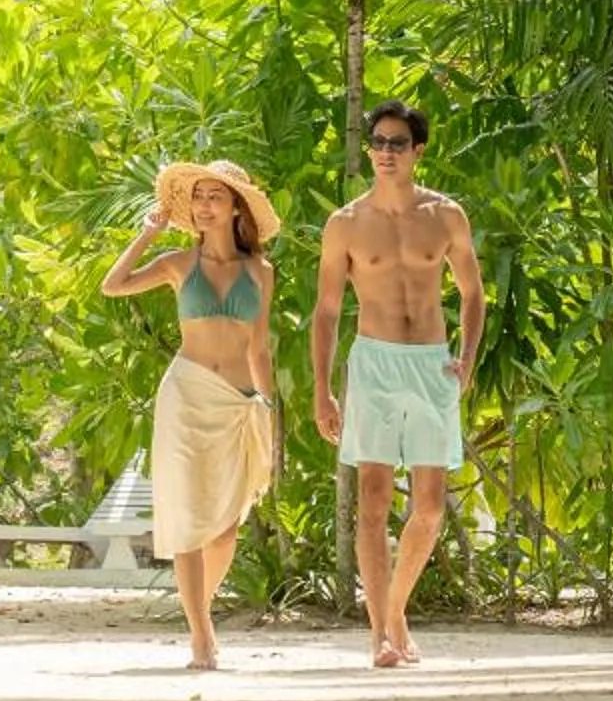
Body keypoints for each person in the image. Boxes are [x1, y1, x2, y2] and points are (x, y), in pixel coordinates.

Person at [312, 98, 483, 669]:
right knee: (374, 500)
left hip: (432, 363)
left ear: (417, 152)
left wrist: (468, 357)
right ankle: (381, 635)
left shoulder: (446, 216)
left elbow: (472, 293)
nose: (385, 153)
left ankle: (394, 611)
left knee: (431, 506)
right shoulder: (346, 224)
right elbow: (328, 311)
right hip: (375, 364)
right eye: (378, 142)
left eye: (396, 144)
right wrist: (322, 388)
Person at [102, 159, 282, 670]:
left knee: (225, 524)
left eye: (215, 197)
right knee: (186, 516)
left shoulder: (259, 271)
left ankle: (197, 612)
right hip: (185, 394)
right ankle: (202, 635)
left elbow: (260, 348)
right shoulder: (178, 265)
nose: (204, 206)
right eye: (198, 196)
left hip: (237, 402)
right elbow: (113, 286)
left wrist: (267, 407)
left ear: (235, 207)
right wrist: (146, 235)